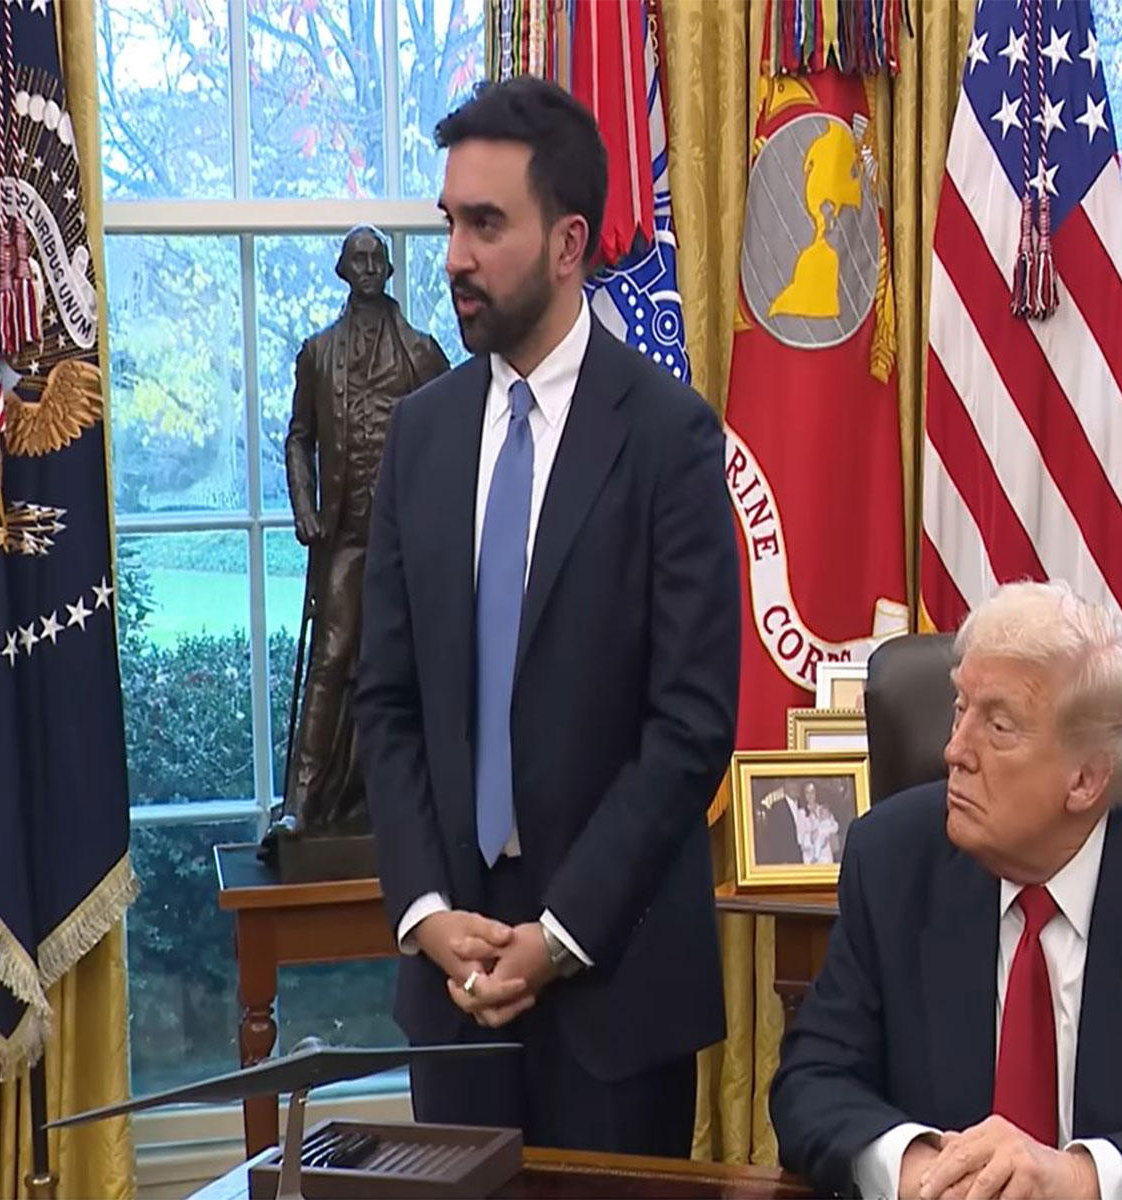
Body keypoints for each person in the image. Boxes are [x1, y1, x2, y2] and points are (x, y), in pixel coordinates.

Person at [354, 77, 740, 1155]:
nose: (453, 260)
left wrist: (560, 934)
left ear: (569, 242)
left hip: (613, 987)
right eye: (449, 222)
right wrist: (426, 912)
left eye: (486, 226)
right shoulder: (419, 437)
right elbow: (384, 703)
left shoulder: (669, 437)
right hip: (451, 993)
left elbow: (692, 723)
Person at [770, 581, 1122, 1200]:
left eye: (997, 725)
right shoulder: (893, 861)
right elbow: (810, 1082)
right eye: (959, 709)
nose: (954, 750)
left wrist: (1080, 1178)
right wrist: (920, 1170)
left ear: (1085, 779)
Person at [279, 226, 450, 833]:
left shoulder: (423, 354)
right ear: (343, 270)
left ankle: (413, 797)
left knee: (410, 664)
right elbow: (298, 439)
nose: (371, 267)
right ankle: (300, 803)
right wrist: (305, 507)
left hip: (406, 542)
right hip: (345, 536)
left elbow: (459, 435)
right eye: (360, 259)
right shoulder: (317, 353)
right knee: (331, 658)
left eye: (379, 258)